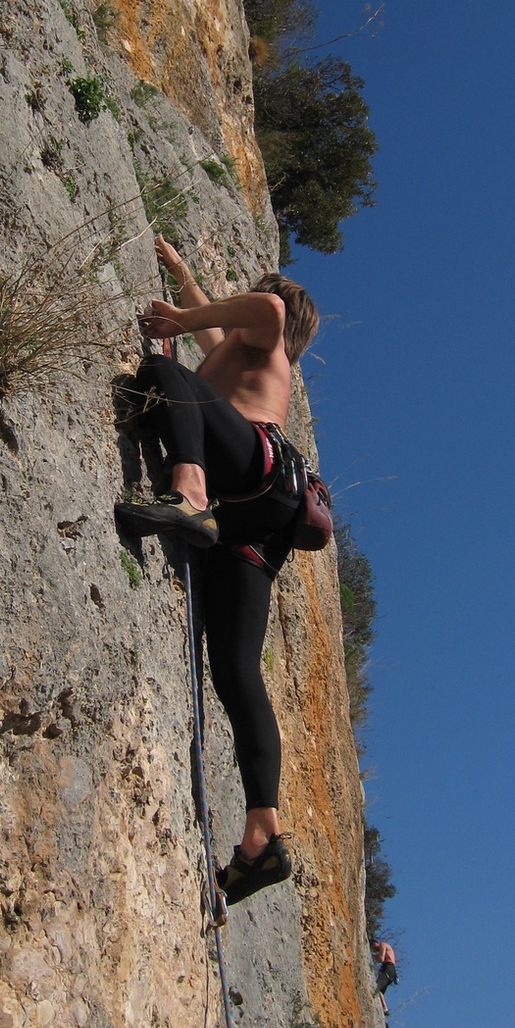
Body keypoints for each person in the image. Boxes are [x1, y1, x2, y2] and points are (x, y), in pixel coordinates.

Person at [115, 235, 320, 905]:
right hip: (259, 527)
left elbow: (258, 308)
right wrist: (178, 274)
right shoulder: (242, 353)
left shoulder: (271, 339)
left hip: (250, 476)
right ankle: (263, 831)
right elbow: (219, 321)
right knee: (234, 669)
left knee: (164, 376)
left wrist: (174, 326)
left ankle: (189, 491)